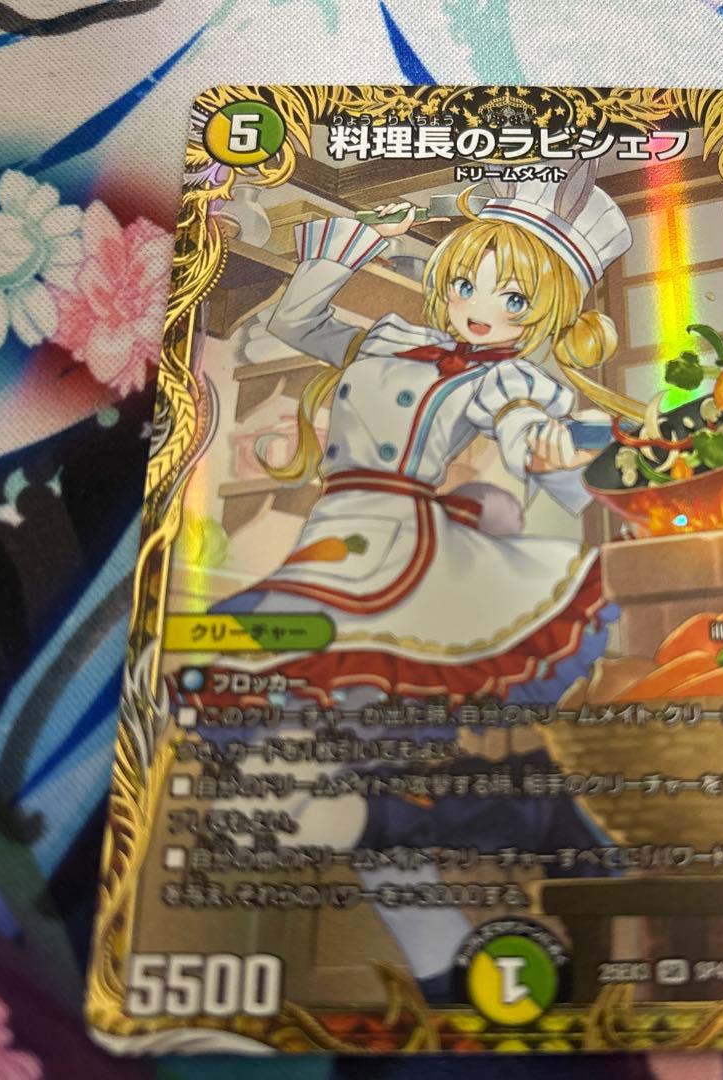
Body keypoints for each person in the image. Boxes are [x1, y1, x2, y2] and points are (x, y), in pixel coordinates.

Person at [207, 165, 633, 998]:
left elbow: (537, 446)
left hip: (400, 560)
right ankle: (473, 929)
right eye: (468, 282)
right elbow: (296, 320)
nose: (479, 307)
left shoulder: (506, 379)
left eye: (514, 298)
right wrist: (348, 247)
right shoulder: (388, 340)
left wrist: (549, 458)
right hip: (333, 551)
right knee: (264, 730)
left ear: (548, 312)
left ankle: (504, 854)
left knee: (345, 779)